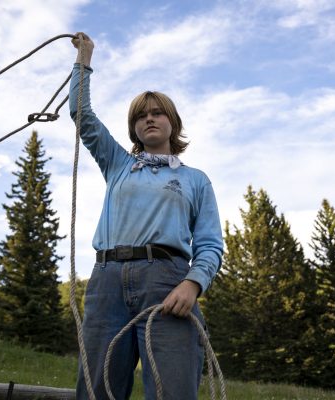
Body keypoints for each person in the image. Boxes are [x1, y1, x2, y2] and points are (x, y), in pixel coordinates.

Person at [69, 32, 223, 400]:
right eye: (141, 116)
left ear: (172, 122)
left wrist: (193, 283)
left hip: (167, 280)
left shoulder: (195, 180)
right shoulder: (118, 163)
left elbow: (210, 244)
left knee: (173, 389)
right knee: (96, 389)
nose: (149, 119)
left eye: (156, 113)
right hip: (106, 281)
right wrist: (84, 59)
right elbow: (81, 114)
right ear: (134, 128)